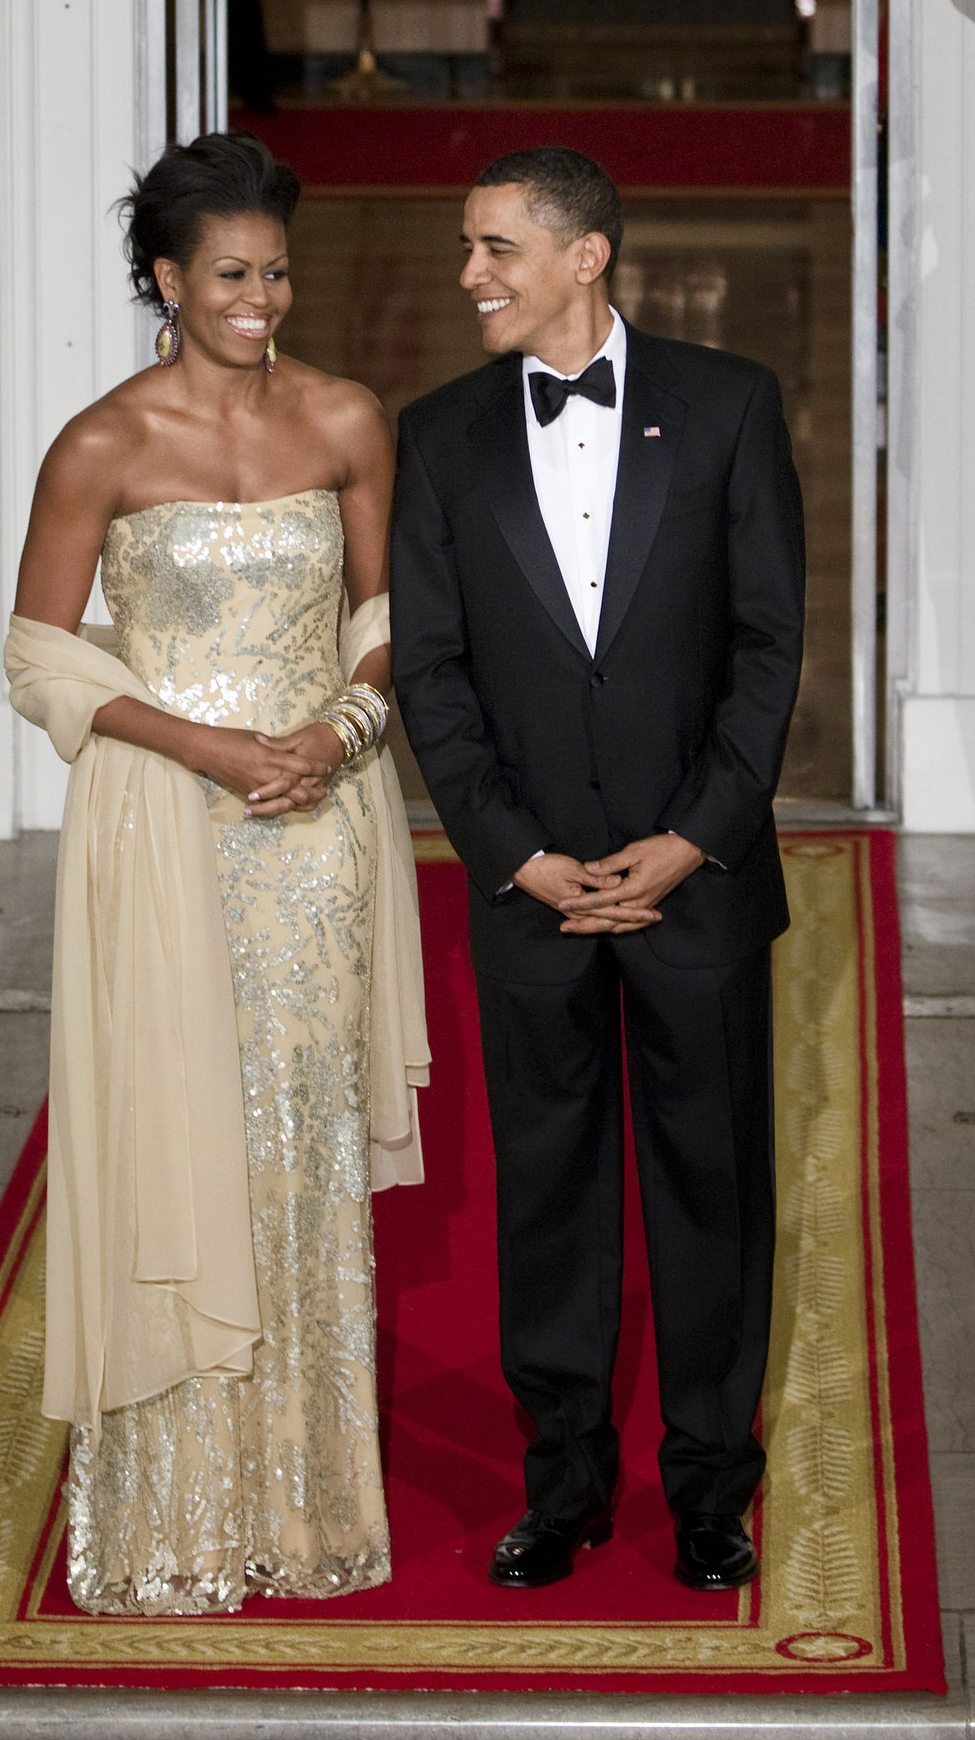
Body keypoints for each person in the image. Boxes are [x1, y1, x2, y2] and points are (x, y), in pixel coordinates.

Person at [5, 131, 428, 1616]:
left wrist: (339, 727)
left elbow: (388, 614)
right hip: (167, 835)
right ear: (167, 279)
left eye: (278, 273)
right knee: (174, 1126)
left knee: (297, 1143)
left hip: (315, 835)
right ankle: (172, 1506)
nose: (262, 299)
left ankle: (306, 1500)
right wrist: (202, 744)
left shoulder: (345, 419)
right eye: (232, 276)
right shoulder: (102, 445)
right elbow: (40, 653)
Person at [390, 147, 804, 1594]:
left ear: (587, 257)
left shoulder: (731, 405)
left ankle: (709, 1492)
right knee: (549, 1202)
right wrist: (520, 855)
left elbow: (767, 652)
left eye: (496, 247)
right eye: (466, 246)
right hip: (531, 899)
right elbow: (431, 678)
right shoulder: (436, 435)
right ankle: (559, 1487)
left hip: (697, 884)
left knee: (711, 1196)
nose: (469, 275)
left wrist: (691, 840)